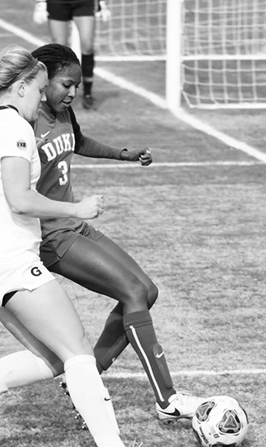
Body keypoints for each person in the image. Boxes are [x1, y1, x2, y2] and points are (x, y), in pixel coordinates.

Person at [0, 45, 128, 447]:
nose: (42, 102)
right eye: (39, 92)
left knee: (53, 359)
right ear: (20, 88)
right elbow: (20, 198)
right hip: (10, 260)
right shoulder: (15, 126)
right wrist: (78, 208)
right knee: (78, 355)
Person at [31, 43, 201, 424]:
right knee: (131, 292)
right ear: (41, 79)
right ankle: (167, 400)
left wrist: (122, 154)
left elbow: (77, 141)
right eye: (66, 84)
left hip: (74, 226)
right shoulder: (24, 123)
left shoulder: (62, 111)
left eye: (76, 85)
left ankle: (84, 383)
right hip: (52, 238)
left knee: (147, 291)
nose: (73, 92)